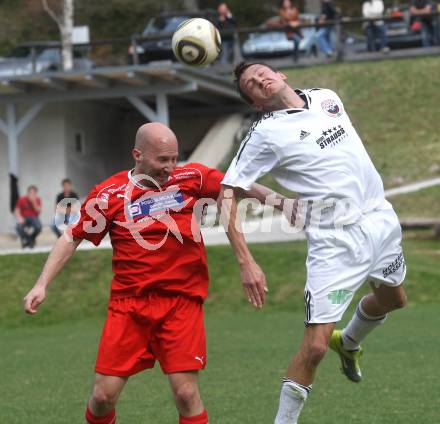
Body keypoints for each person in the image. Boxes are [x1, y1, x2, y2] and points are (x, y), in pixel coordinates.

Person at [23, 122, 285, 424]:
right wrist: (41, 284)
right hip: (129, 306)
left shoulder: (192, 177)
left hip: (181, 303)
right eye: (163, 160)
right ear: (138, 155)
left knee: (186, 395)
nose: (171, 167)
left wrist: (283, 203)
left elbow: (239, 186)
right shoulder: (109, 193)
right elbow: (71, 236)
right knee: (102, 397)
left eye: (174, 158)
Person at [219, 62, 408, 424]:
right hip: (335, 241)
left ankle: (349, 342)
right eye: (251, 85)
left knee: (394, 300)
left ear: (281, 74)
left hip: (380, 220)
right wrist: (246, 261)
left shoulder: (326, 97)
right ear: (256, 104)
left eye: (261, 72)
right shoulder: (265, 133)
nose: (259, 79)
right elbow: (228, 192)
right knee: (315, 347)